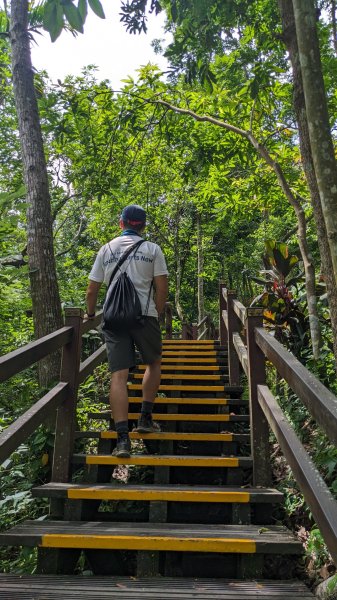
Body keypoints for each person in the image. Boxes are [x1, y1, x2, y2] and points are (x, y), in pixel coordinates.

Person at [86, 204, 168, 458]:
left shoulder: (106, 249)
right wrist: (158, 310)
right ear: (143, 226)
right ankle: (145, 417)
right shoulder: (152, 249)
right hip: (145, 317)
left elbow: (92, 290)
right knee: (153, 363)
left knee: (118, 375)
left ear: (121, 223)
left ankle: (122, 440)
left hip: (113, 319)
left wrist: (91, 314)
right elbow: (162, 287)